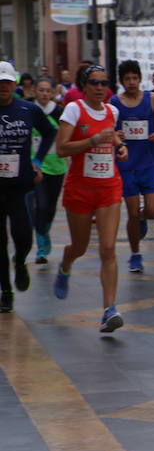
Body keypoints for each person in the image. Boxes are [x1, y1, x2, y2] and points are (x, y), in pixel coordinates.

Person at [53, 65, 128, 332]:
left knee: (108, 248)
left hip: (109, 187)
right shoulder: (74, 110)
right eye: (94, 83)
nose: (99, 87)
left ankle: (109, 310)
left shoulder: (112, 111)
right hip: (80, 189)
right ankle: (66, 263)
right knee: (81, 247)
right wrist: (92, 140)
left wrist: (121, 147)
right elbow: (61, 149)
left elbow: (114, 139)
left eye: (103, 83)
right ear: (84, 86)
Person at [0, 62, 55, 313]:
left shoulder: (28, 109)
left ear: (15, 85)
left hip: (20, 185)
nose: (3, 87)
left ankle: (20, 261)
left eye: (7, 82)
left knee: (23, 237)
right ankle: (6, 292)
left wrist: (37, 161)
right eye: (0, 82)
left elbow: (49, 133)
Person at [110, 60, 154, 273]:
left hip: (149, 162)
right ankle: (135, 254)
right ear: (121, 81)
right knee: (132, 213)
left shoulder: (152, 99)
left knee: (152, 210)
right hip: (126, 165)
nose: (131, 83)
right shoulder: (114, 102)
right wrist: (117, 135)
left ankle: (143, 218)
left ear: (140, 79)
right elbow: (110, 129)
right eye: (127, 79)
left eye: (134, 78)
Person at [29, 77, 68, 265]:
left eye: (47, 91)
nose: (44, 94)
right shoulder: (29, 110)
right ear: (35, 91)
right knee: (41, 206)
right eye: (41, 90)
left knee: (50, 208)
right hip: (36, 167)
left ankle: (44, 232)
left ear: (52, 93)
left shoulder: (59, 112)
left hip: (57, 167)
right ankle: (41, 247)